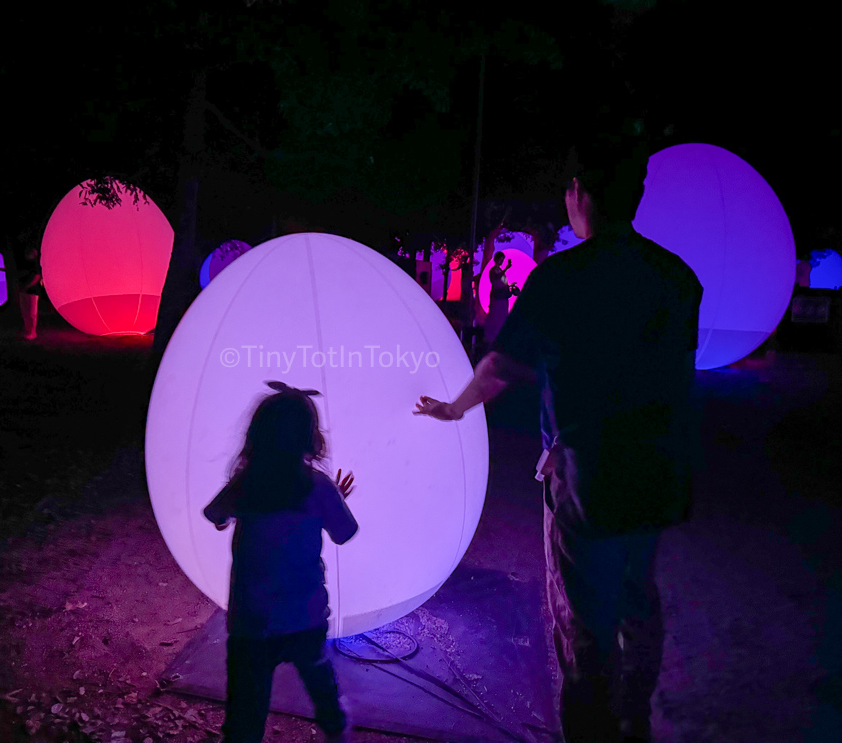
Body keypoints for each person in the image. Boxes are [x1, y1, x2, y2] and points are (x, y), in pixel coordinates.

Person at [415, 142, 703, 743]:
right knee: (635, 593)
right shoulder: (677, 279)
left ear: (580, 195)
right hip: (656, 469)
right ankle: (634, 718)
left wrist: (454, 408)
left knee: (582, 615)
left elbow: (501, 364)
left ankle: (592, 727)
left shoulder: (563, 279)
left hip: (587, 474)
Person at [204, 381, 359, 743]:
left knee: (246, 708)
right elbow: (344, 532)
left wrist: (230, 515)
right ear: (310, 438)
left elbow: (216, 514)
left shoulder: (246, 485)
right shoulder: (317, 487)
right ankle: (335, 725)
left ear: (257, 435)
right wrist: (335, 498)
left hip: (251, 621)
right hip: (304, 615)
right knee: (317, 674)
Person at [483, 251, 519, 344]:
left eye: (502, 260)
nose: (502, 262)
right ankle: (491, 337)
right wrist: (506, 269)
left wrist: (510, 285)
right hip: (497, 296)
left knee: (502, 316)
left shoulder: (499, 270)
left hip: (503, 296)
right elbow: (496, 279)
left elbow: (502, 282)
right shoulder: (493, 270)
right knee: (495, 316)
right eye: (500, 260)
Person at [17, 246, 43, 339]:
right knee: (25, 313)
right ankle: (28, 331)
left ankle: (32, 332)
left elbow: (37, 276)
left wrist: (27, 286)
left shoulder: (35, 265)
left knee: (31, 313)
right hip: (24, 291)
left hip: (32, 291)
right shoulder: (24, 264)